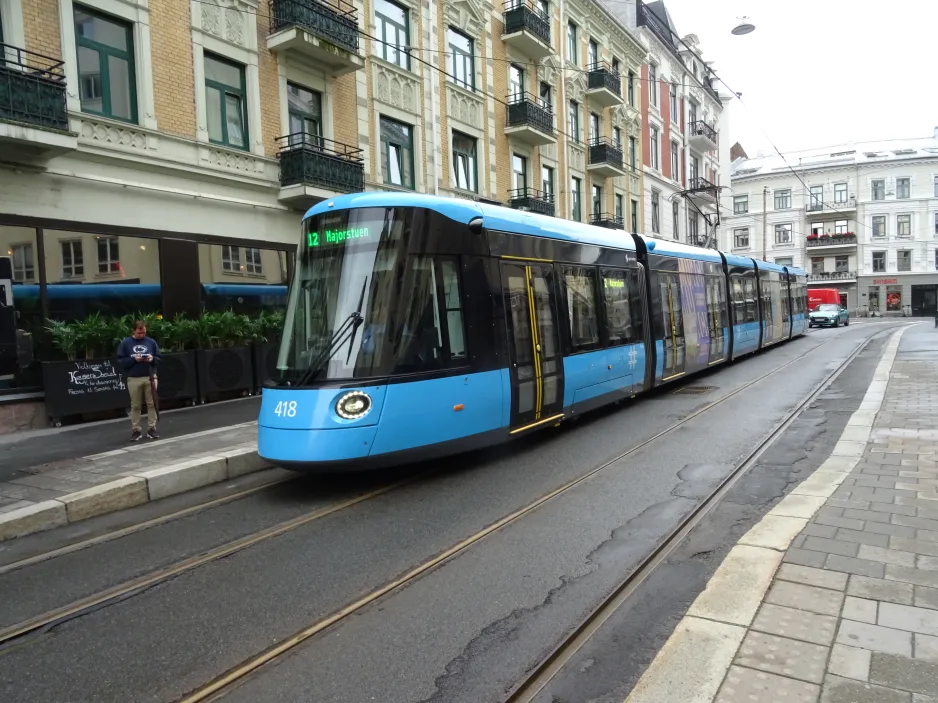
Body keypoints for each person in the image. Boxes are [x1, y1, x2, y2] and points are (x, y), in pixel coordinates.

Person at [117, 321, 161, 441]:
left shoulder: (151, 342)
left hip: (150, 376)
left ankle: (152, 428)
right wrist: (134, 360)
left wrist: (152, 359)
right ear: (133, 331)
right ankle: (136, 430)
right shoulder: (126, 343)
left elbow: (159, 357)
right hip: (134, 377)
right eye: (139, 332)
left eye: (144, 333)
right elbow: (120, 360)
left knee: (152, 403)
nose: (142, 335)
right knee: (135, 405)